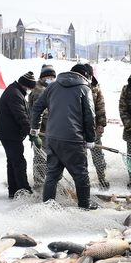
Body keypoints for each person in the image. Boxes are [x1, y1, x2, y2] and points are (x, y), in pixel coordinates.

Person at [30, 63, 97, 210]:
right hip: (73, 139)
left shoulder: (53, 86)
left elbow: (37, 107)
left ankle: (48, 206)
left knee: (52, 174)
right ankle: (85, 204)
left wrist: (35, 126)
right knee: (80, 175)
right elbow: (90, 116)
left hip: (52, 138)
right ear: (86, 76)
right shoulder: (84, 88)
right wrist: (91, 139)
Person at [0, 71, 37, 199]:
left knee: (12, 161)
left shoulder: (15, 91)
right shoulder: (14, 94)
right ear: (25, 85)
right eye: (30, 88)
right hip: (10, 134)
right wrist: (31, 133)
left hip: (8, 133)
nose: (30, 90)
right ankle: (24, 190)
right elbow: (21, 117)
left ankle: (13, 190)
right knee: (19, 162)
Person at [26, 64, 57, 187]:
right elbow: (42, 113)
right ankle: (40, 184)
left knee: (50, 158)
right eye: (49, 77)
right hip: (42, 131)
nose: (51, 79)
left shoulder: (50, 88)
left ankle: (47, 183)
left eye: (53, 77)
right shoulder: (39, 90)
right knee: (41, 158)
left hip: (49, 131)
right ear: (43, 77)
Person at [85, 64, 109, 189]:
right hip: (78, 129)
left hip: (93, 128)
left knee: (98, 156)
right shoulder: (76, 87)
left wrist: (101, 124)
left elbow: (101, 107)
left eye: (90, 75)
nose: (88, 77)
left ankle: (103, 179)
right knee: (80, 157)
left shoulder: (96, 88)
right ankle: (83, 181)